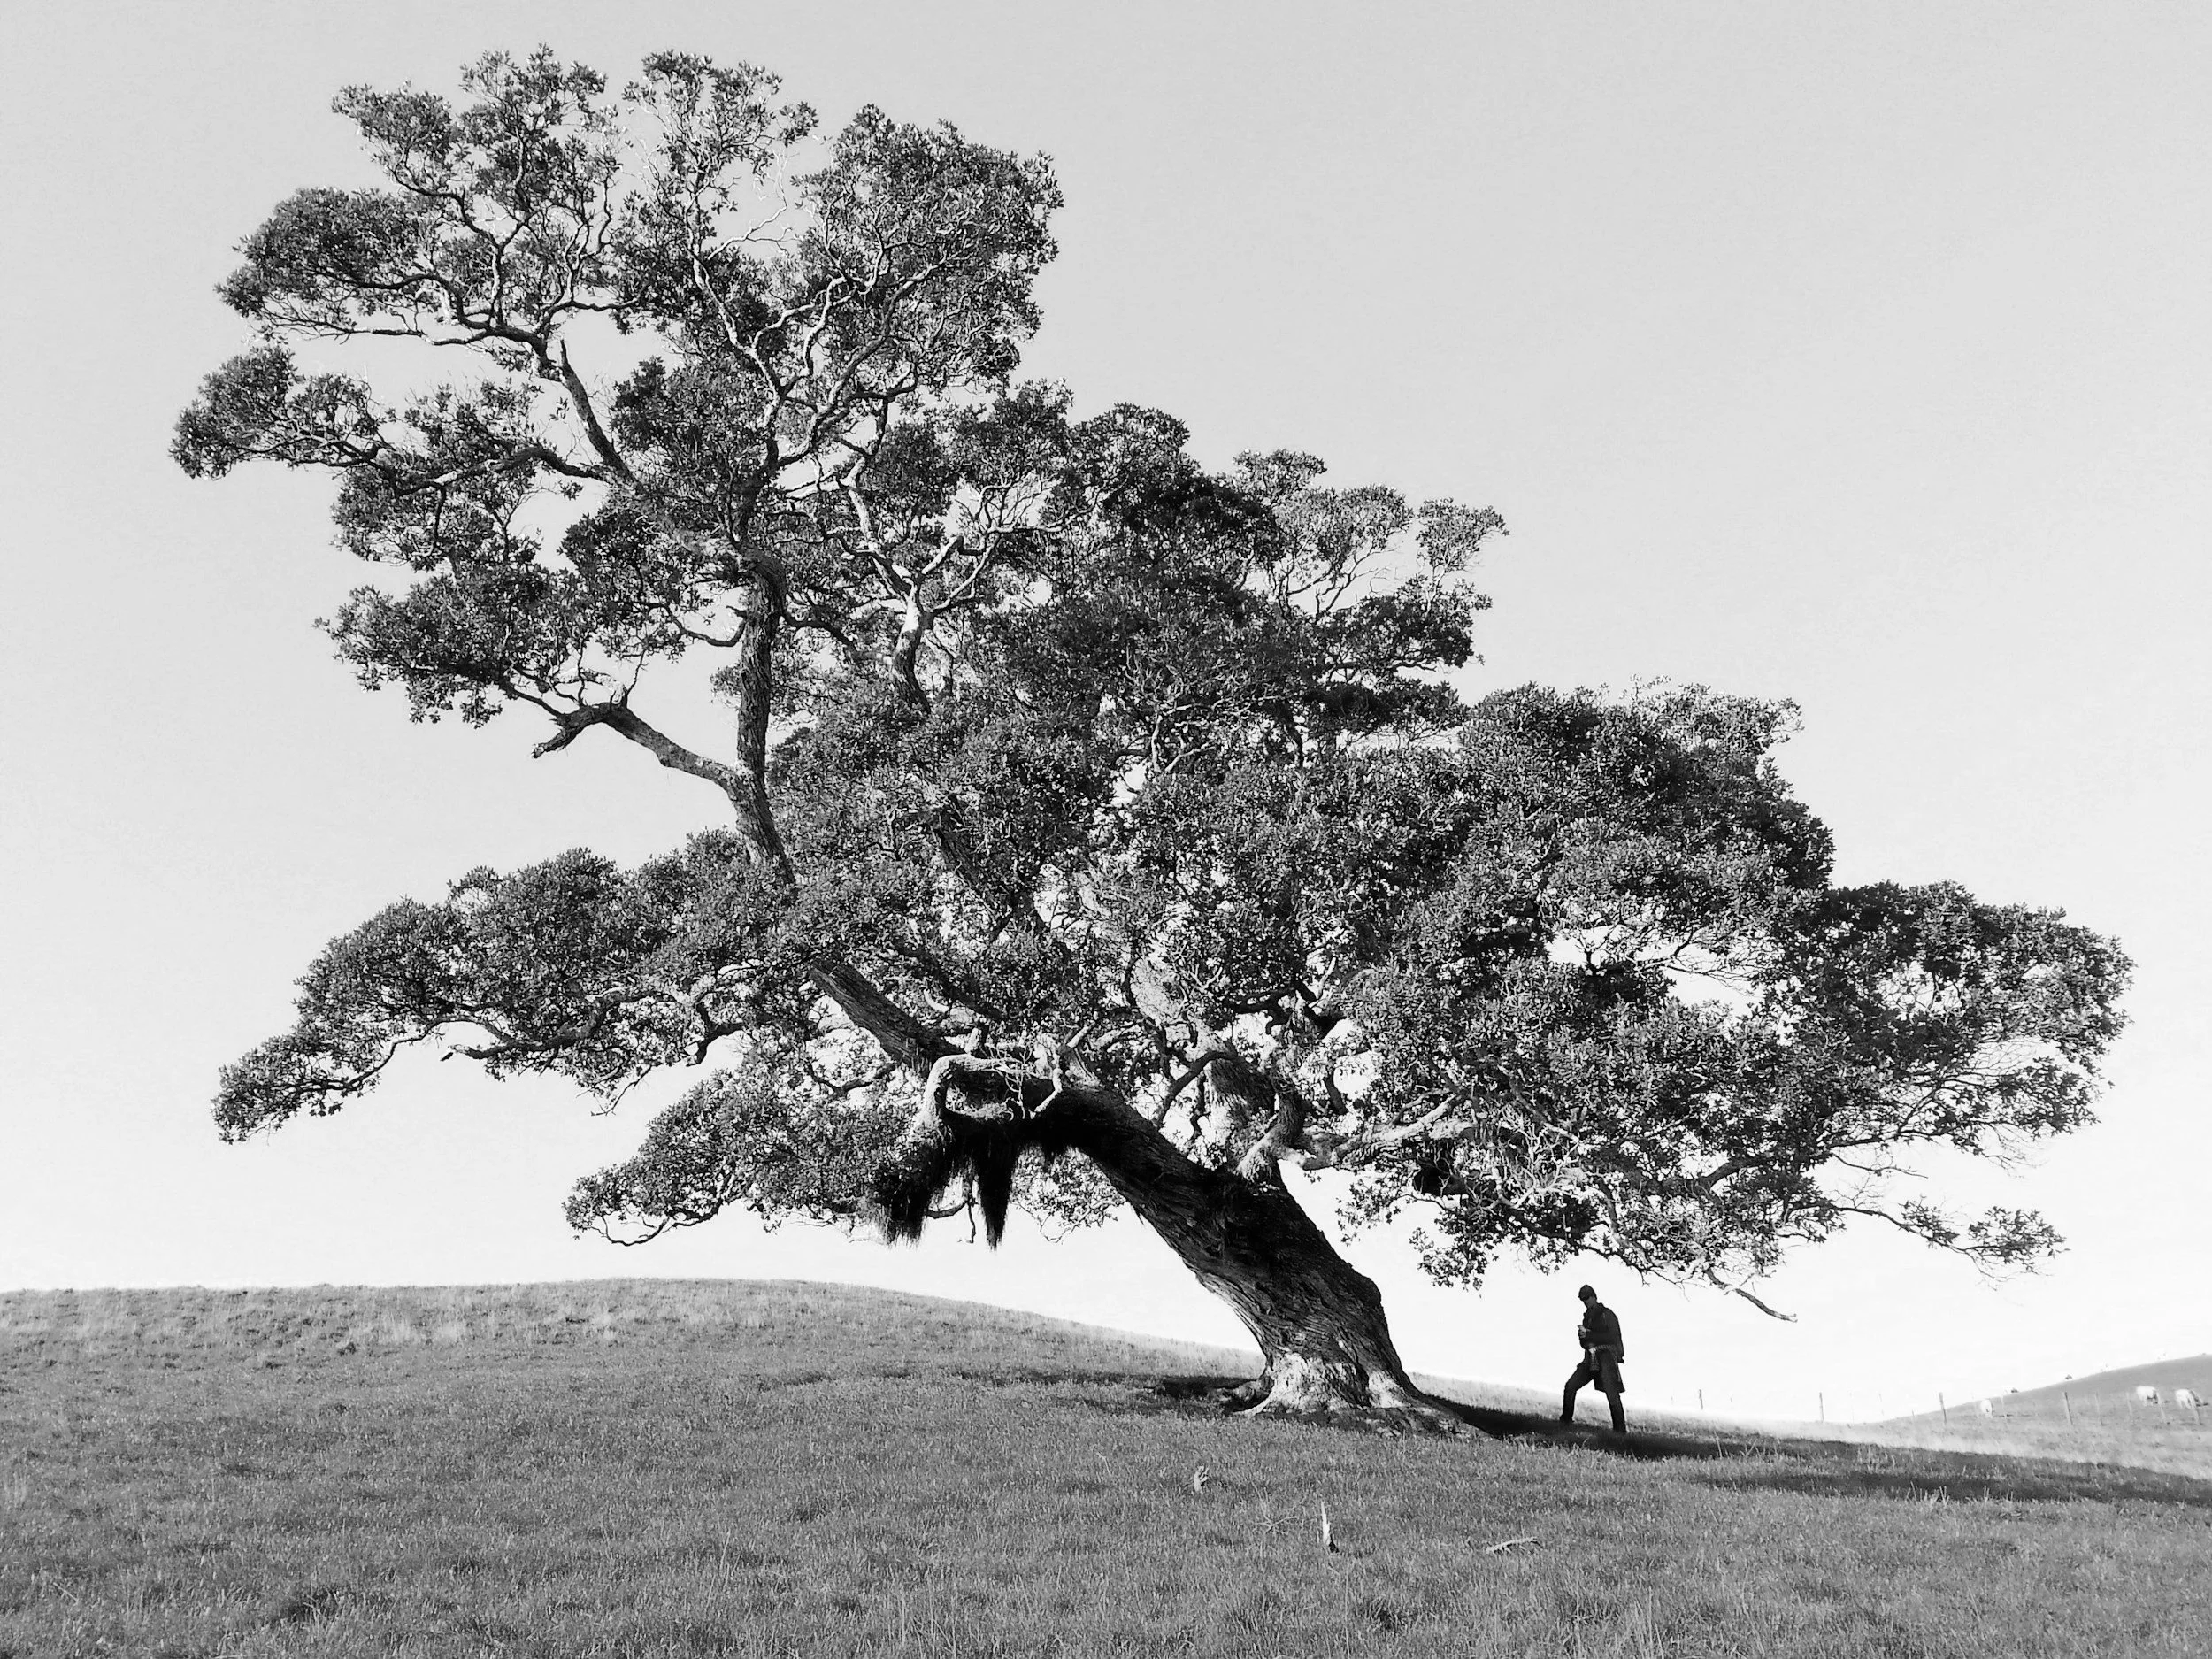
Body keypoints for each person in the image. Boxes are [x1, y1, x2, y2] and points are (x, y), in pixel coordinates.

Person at [1561, 1284, 1626, 1432]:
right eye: (1582, 1300)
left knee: (1612, 1395)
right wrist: (1583, 1338)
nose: (1585, 1302)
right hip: (1590, 1359)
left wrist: (1589, 1335)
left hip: (1607, 1358)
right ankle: (1565, 1422)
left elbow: (1612, 1336)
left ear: (1594, 1297)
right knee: (1570, 1386)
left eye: (1587, 1298)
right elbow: (1584, 1344)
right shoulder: (1587, 1318)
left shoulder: (1607, 1314)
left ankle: (1620, 1430)